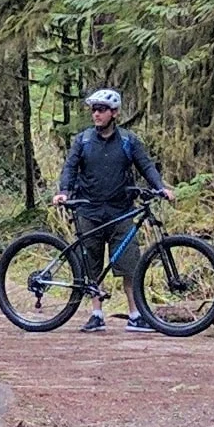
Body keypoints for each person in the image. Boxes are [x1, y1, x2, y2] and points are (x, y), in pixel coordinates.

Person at [54, 88, 173, 332]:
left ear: (114, 113)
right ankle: (96, 314)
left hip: (121, 211)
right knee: (92, 265)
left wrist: (160, 187)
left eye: (101, 110)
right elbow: (70, 167)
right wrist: (64, 191)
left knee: (130, 265)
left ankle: (135, 315)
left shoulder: (128, 141)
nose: (96, 114)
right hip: (89, 210)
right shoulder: (83, 141)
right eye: (94, 110)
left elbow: (146, 166)